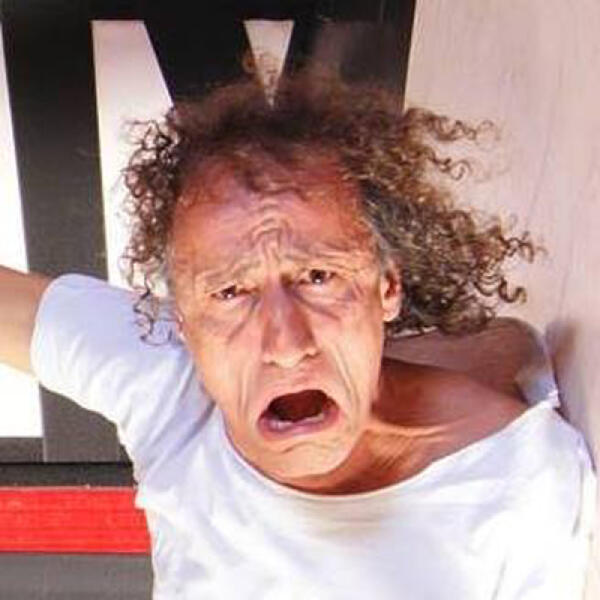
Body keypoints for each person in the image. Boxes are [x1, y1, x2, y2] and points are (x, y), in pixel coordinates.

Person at [0, 75, 595, 599]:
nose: (285, 345)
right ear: (182, 324)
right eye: (231, 292)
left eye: (318, 277)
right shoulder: (173, 383)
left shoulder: (519, 488)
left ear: (387, 286)